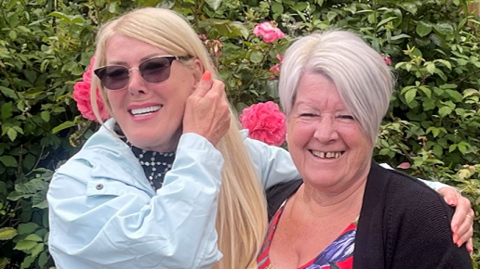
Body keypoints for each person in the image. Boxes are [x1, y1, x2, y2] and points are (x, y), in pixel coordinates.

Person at [47, 8, 473, 269]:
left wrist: (432, 196)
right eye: (116, 73)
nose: (135, 85)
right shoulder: (78, 188)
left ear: (197, 74)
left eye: (154, 67)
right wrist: (199, 145)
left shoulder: (235, 157)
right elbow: (170, 253)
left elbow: (323, 166)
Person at [257, 31, 473, 269]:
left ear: (374, 125)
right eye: (309, 114)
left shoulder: (419, 220)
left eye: (347, 116)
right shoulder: (267, 205)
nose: (325, 134)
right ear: (288, 118)